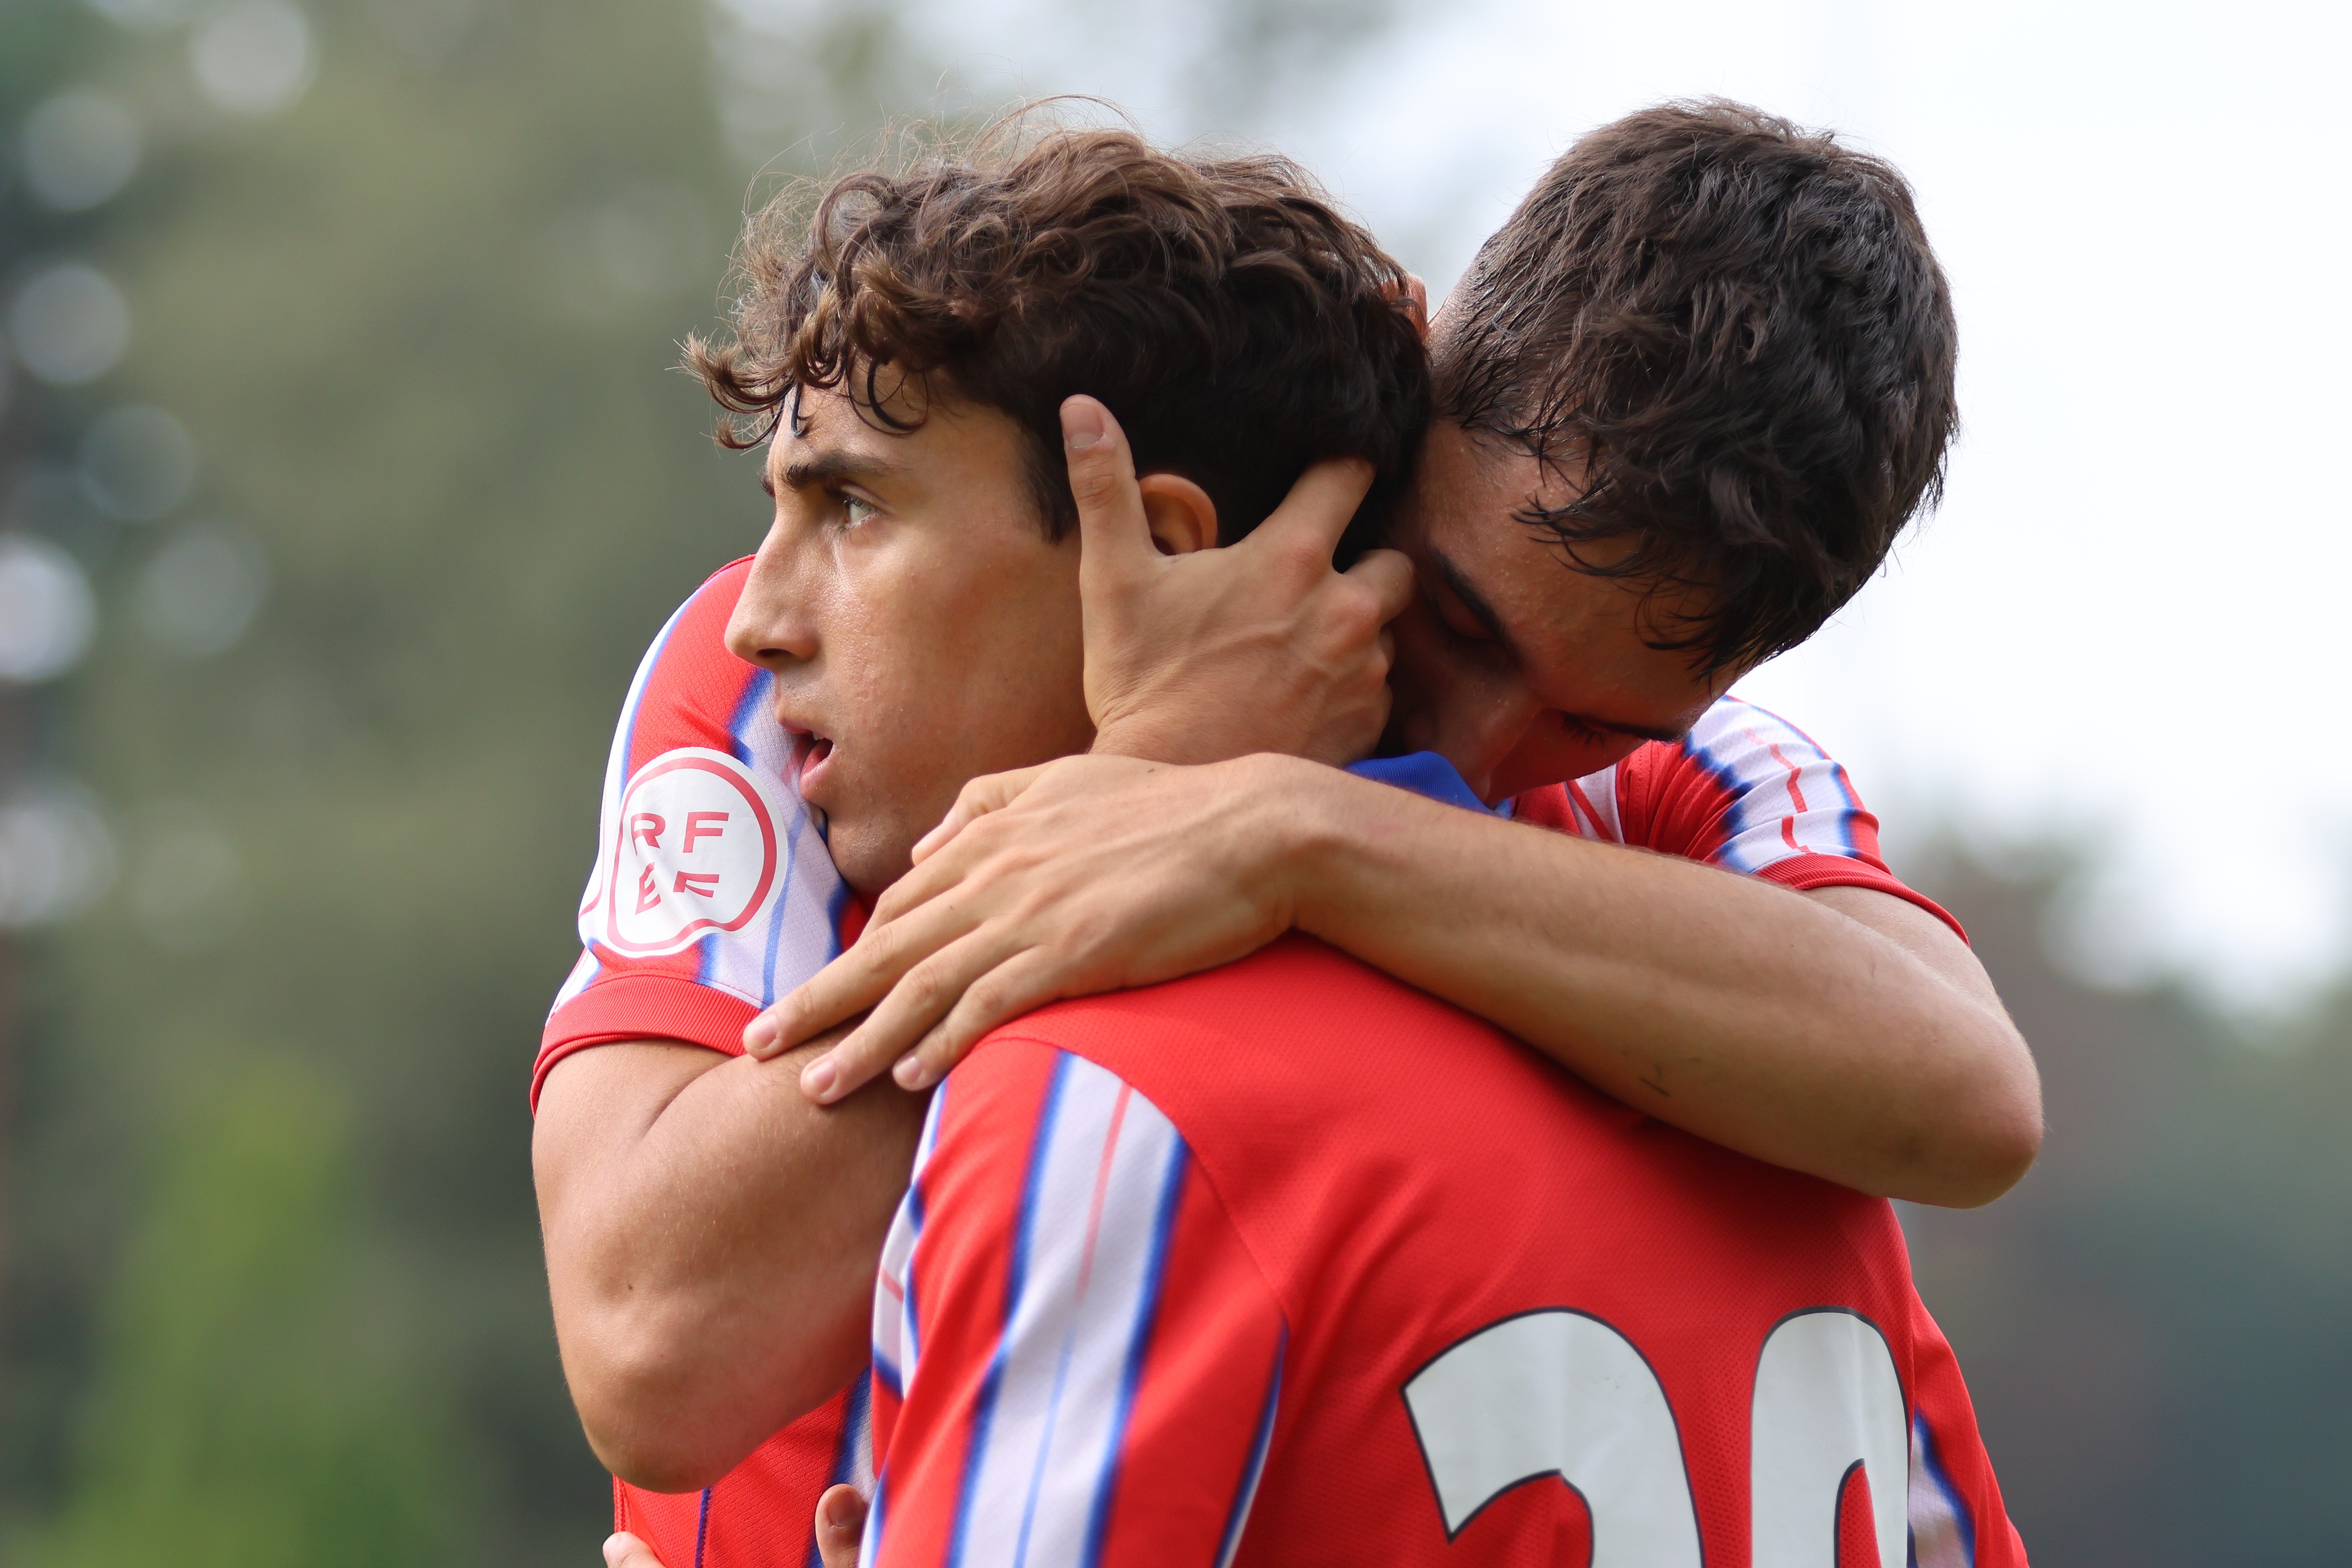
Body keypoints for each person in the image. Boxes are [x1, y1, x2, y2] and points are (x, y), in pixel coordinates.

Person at [535, 107, 2036, 1568]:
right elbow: (655, 1355)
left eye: (1596, 728)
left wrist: (1273, 816)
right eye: (1448, 615)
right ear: (1425, 377)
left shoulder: (1687, 775)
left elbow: (1966, 1097)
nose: (1465, 752)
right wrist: (1165, 776)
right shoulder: (786, 681)